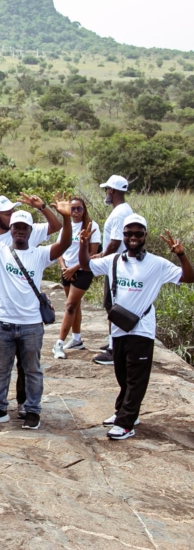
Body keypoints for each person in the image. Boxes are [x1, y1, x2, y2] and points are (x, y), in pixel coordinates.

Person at [78, 215, 194, 440]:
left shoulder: (157, 264)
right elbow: (86, 265)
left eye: (138, 233)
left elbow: (189, 277)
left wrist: (181, 254)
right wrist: (83, 245)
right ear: (123, 235)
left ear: (145, 236)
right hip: (120, 327)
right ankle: (124, 410)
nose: (133, 237)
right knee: (122, 373)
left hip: (142, 328)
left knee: (136, 377)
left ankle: (126, 423)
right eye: (128, 233)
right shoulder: (114, 260)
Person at [0, 190, 72, 430]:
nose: (20, 231)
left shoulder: (40, 254)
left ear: (30, 231)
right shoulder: (0, 251)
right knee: (0, 369)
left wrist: (65, 218)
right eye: (17, 227)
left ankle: (32, 411)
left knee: (32, 370)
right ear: (11, 230)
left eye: (25, 227)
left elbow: (64, 242)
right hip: (3, 321)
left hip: (31, 324)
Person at [89, 175, 134, 366]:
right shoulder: (123, 210)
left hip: (116, 265)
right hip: (119, 264)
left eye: (107, 189)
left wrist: (101, 257)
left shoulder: (119, 213)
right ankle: (115, 343)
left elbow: (115, 243)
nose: (106, 193)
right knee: (114, 305)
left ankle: (114, 349)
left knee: (112, 306)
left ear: (112, 191)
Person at [52, 197, 101, 359]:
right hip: (67, 270)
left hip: (83, 270)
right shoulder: (67, 226)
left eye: (79, 208)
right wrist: (64, 267)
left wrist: (74, 268)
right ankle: (77, 339)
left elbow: (93, 254)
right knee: (75, 306)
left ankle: (58, 343)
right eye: (72, 209)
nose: (76, 212)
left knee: (70, 305)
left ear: (84, 209)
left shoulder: (91, 226)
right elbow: (58, 248)